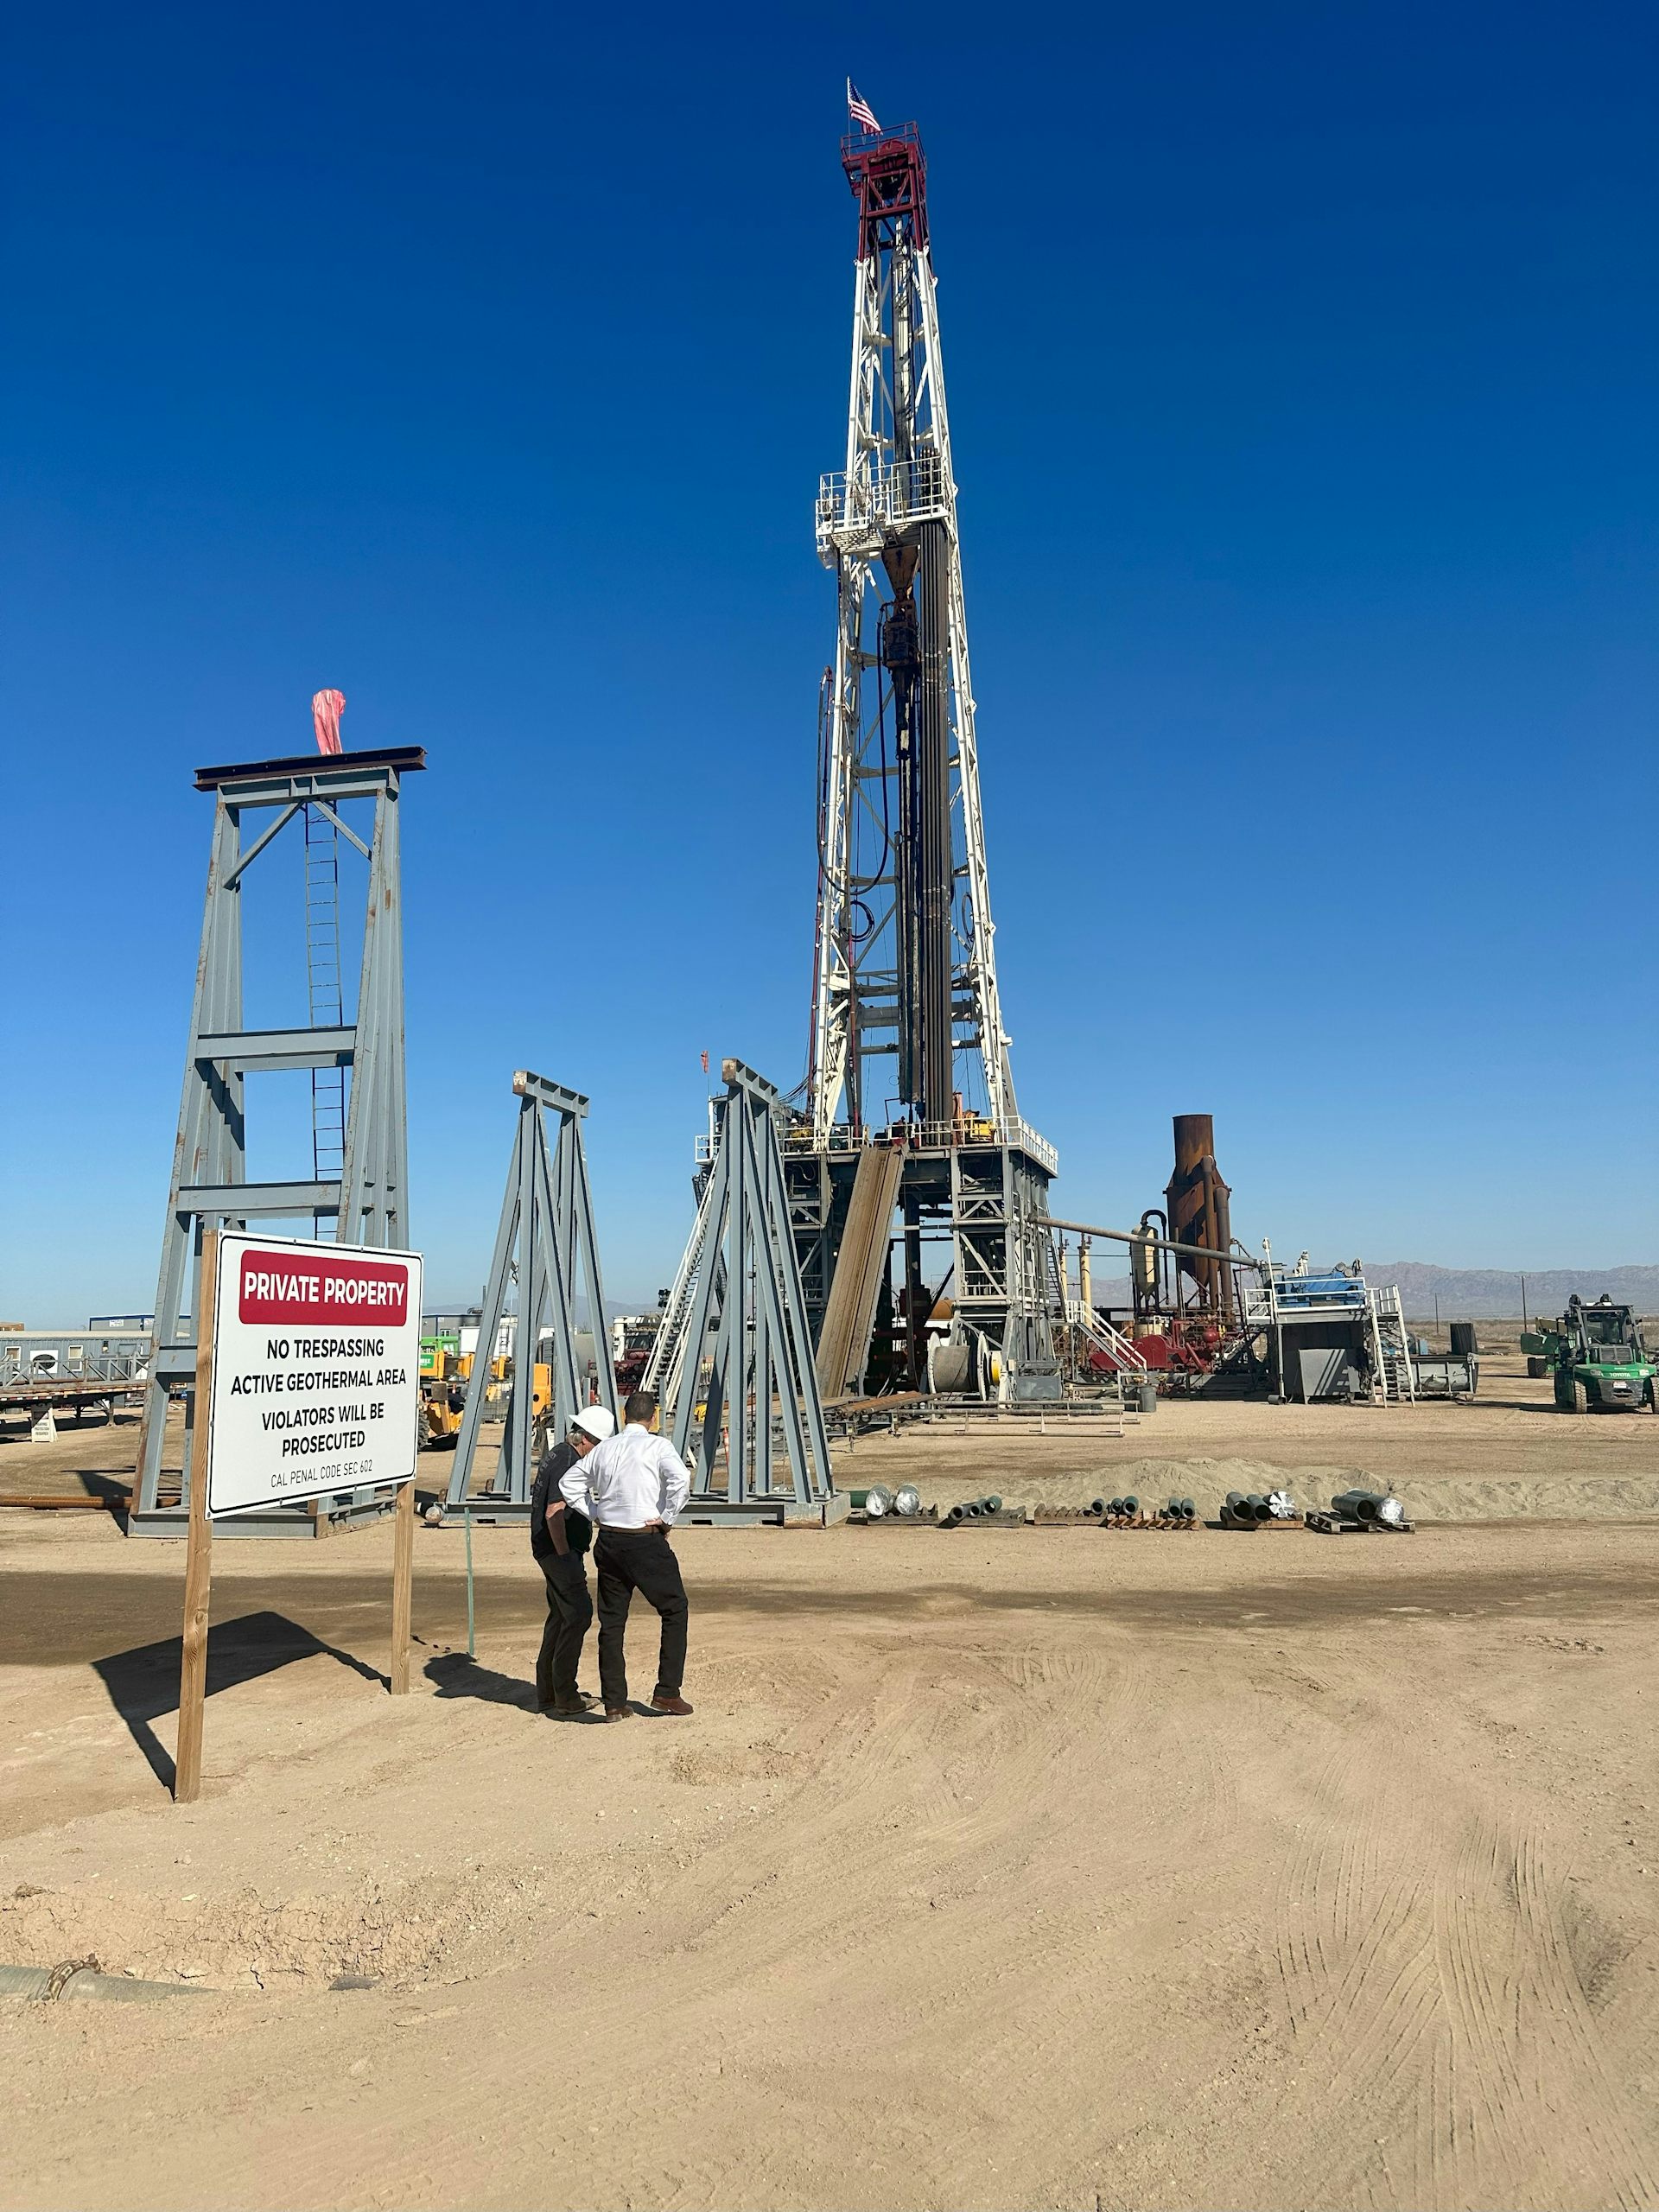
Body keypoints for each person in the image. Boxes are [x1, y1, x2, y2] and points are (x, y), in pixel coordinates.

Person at [560, 1388, 693, 1720]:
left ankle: (615, 1702)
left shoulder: (606, 1449)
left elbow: (569, 1483)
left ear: (624, 1416)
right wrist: (667, 1518)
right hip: (644, 1539)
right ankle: (666, 1692)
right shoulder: (658, 1445)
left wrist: (594, 1512)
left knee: (612, 1622)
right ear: (654, 1419)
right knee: (675, 1609)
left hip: (609, 1540)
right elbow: (681, 1479)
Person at [530, 1403, 616, 1718]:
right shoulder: (569, 1460)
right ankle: (564, 1695)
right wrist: (565, 1556)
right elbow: (554, 1513)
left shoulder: (559, 1452)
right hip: (558, 1553)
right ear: (587, 1440)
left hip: (550, 1550)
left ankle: (548, 1692)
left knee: (561, 1616)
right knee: (578, 1614)